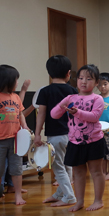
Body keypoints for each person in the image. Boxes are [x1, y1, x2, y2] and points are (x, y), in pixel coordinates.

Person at [51, 64, 107, 212]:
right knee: (78, 173)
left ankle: (98, 200)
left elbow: (94, 117)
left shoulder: (98, 98)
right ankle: (79, 202)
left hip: (94, 141)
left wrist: (77, 112)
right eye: (81, 78)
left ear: (96, 83)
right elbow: (54, 115)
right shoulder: (70, 98)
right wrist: (62, 105)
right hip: (75, 142)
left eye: (89, 79)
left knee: (96, 172)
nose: (84, 81)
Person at [0, 64, 29, 207]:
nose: (17, 83)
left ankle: (18, 195)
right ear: (6, 80)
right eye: (15, 80)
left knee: (17, 169)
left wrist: (25, 126)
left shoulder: (15, 97)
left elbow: (20, 113)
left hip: (15, 140)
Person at [35, 55, 78, 206]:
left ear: (49, 73)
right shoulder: (73, 90)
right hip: (72, 134)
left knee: (57, 166)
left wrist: (37, 134)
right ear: (68, 73)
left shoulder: (45, 91)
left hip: (56, 135)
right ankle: (60, 193)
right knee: (67, 165)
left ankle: (69, 196)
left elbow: (41, 114)